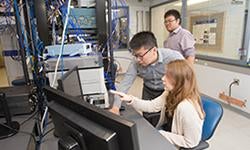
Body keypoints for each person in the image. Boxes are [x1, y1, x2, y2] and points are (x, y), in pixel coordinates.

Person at [112, 60, 205, 149]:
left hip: (174, 144)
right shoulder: (169, 93)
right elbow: (152, 106)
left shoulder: (186, 107)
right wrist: (130, 99)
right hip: (166, 134)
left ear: (178, 81)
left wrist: (162, 134)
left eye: (167, 76)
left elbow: (191, 142)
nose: (162, 79)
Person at [109, 31, 184, 124]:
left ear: (154, 50)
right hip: (149, 91)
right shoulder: (136, 62)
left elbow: (186, 80)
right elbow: (125, 84)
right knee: (148, 120)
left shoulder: (174, 58)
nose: (138, 60)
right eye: (135, 56)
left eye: (140, 56)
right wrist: (116, 107)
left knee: (171, 118)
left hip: (168, 92)